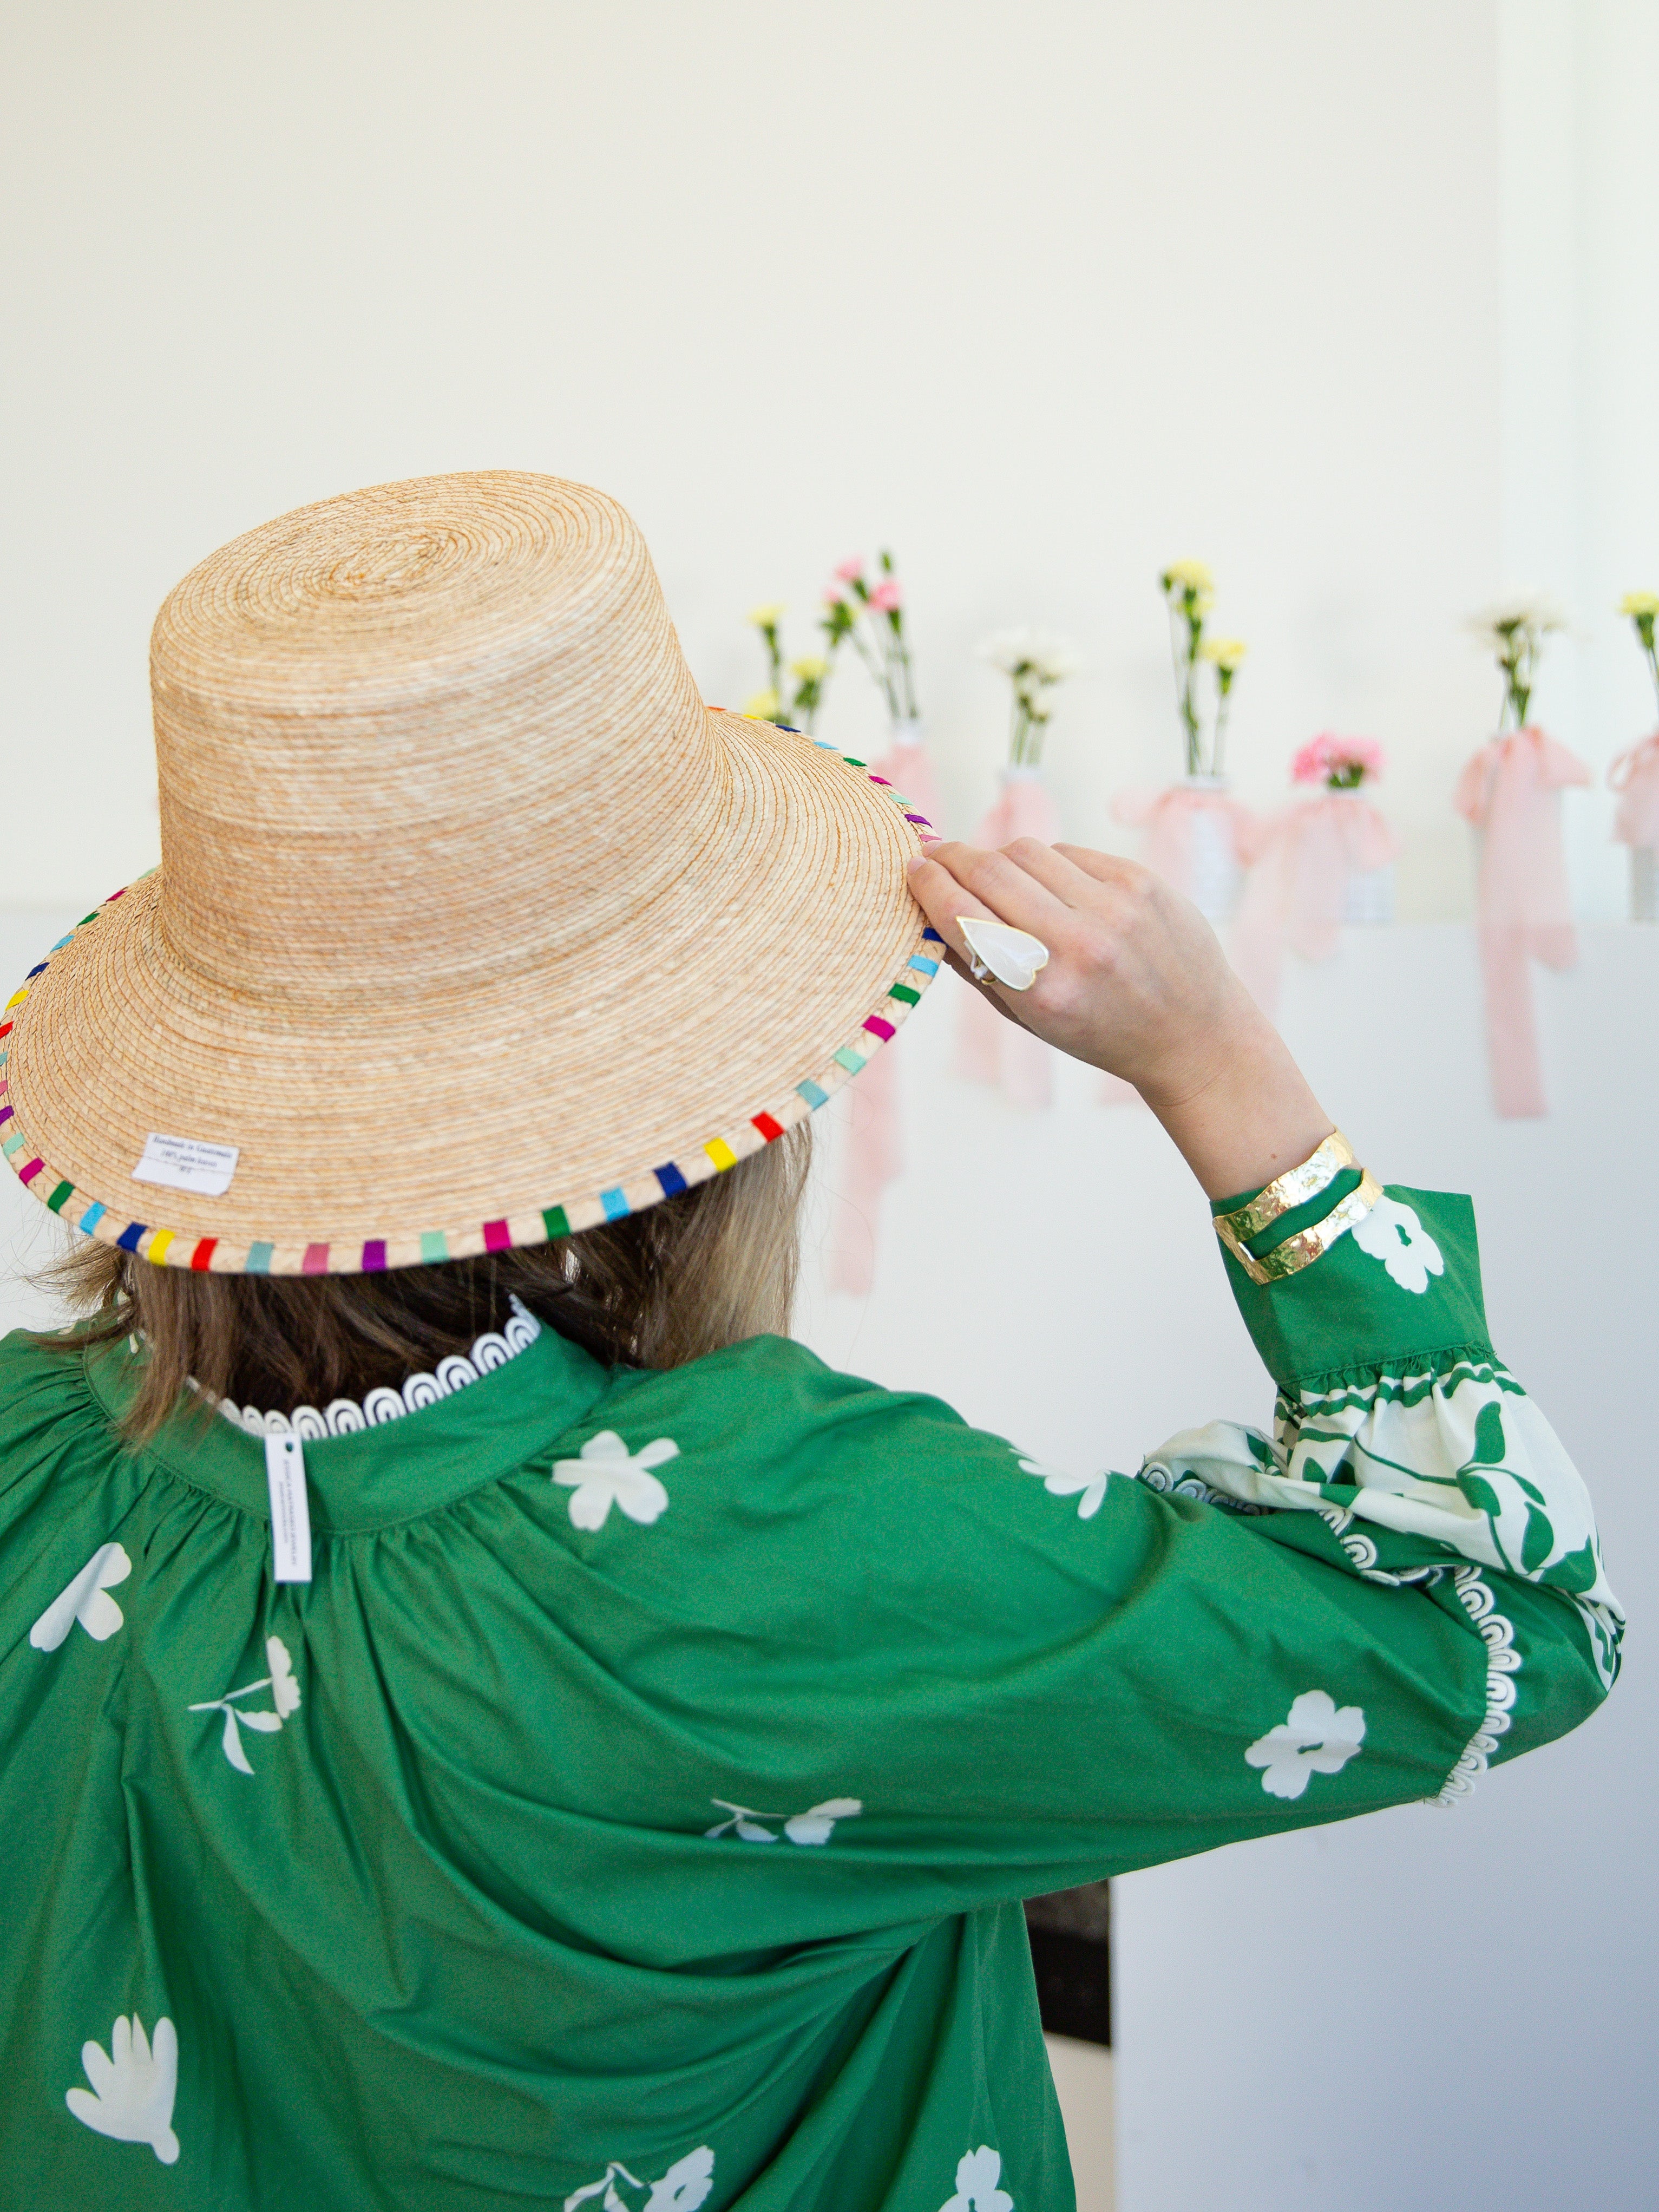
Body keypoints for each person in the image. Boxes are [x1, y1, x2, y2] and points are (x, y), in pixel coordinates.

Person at [0, 473, 1617, 2212]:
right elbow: (1494, 1620)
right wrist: (1221, 1067)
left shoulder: (27, 1458)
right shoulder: (766, 1540)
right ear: (712, 1117)